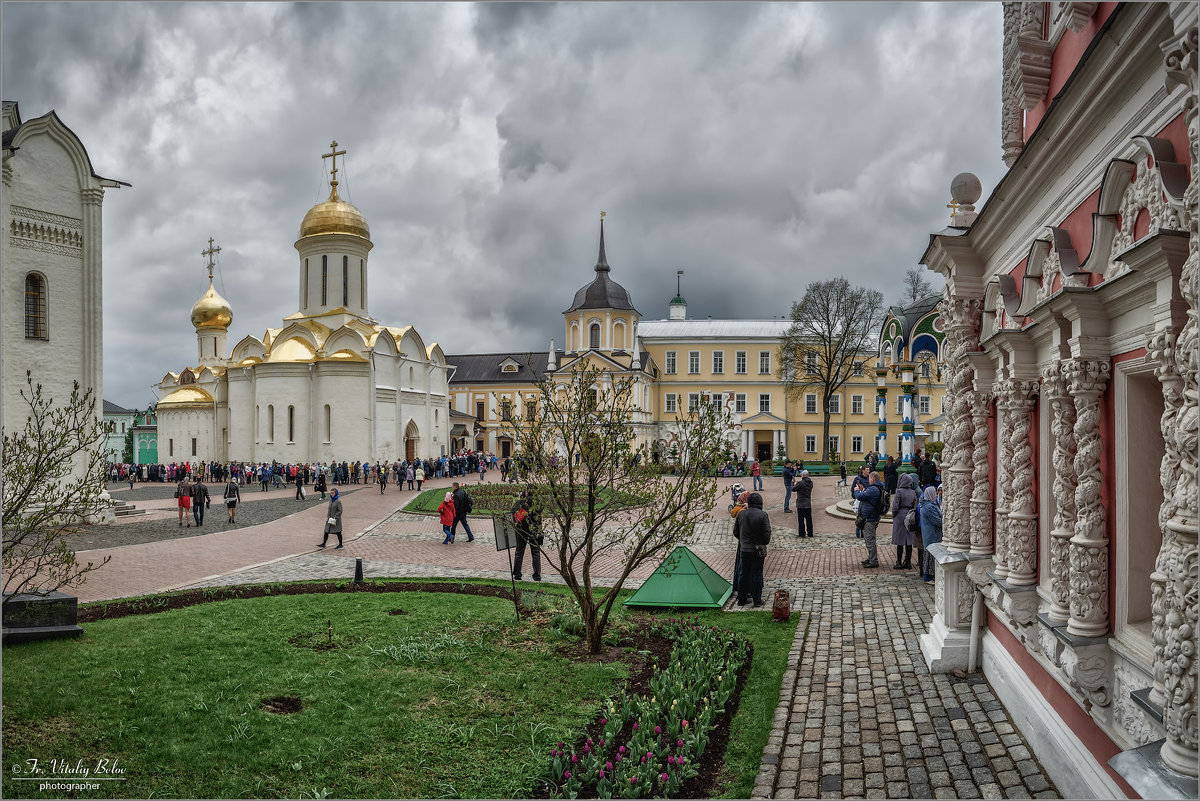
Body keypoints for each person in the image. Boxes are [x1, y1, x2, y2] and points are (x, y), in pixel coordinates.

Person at [733, 492, 771, 606]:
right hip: (758, 549)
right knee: (757, 574)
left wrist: (744, 540)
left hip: (744, 549)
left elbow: (735, 532)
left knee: (743, 573)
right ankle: (757, 600)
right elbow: (767, 534)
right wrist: (762, 542)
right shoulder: (763, 515)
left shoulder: (741, 514)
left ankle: (742, 599)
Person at [853, 471, 885, 568]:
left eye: (869, 478)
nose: (868, 480)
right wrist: (863, 490)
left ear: (872, 479)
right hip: (870, 517)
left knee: (870, 540)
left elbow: (860, 497)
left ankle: (873, 560)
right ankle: (871, 558)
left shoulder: (874, 489)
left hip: (870, 519)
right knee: (869, 539)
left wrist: (857, 490)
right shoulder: (875, 488)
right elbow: (866, 496)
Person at [511, 487, 542, 581]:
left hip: (522, 529)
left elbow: (513, 511)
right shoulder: (538, 502)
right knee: (535, 552)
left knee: (519, 552)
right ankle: (537, 575)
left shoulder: (521, 502)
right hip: (534, 529)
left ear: (527, 492)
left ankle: (517, 573)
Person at [890, 473, 918, 570]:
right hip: (909, 515)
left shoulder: (899, 492)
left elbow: (895, 506)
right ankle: (908, 561)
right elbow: (915, 503)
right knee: (909, 540)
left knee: (900, 540)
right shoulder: (913, 492)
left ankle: (898, 561)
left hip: (900, 515)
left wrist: (894, 515)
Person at [918, 485, 943, 582]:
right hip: (932, 535)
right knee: (930, 557)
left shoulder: (929, 504)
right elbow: (936, 521)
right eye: (935, 493)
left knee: (929, 556)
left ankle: (929, 576)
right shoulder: (929, 507)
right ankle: (928, 577)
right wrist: (945, 521)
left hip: (931, 534)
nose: (936, 495)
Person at [794, 469, 814, 538]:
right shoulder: (811, 482)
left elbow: (793, 489)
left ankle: (802, 533)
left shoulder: (801, 483)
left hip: (801, 504)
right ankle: (810, 533)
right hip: (808, 504)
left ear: (803, 475)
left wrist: (794, 484)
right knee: (809, 520)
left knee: (801, 520)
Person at [851, 466, 870, 538]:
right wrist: (856, 496)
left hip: (867, 500)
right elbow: (853, 489)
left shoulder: (869, 479)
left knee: (865, 516)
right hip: (860, 500)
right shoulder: (858, 479)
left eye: (869, 469)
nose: (868, 471)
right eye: (867, 470)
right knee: (860, 517)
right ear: (863, 471)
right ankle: (858, 532)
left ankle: (863, 532)